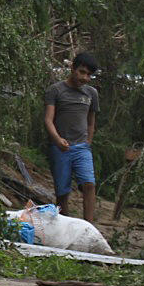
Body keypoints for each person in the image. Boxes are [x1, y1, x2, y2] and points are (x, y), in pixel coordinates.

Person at [43, 52, 102, 224]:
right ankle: (64, 226)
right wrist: (57, 140)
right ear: (72, 69)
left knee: (89, 185)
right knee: (62, 193)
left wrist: (88, 142)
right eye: (82, 72)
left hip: (82, 148)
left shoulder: (91, 93)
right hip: (60, 148)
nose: (85, 77)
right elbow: (48, 120)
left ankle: (89, 228)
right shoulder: (56, 90)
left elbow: (91, 122)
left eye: (89, 75)